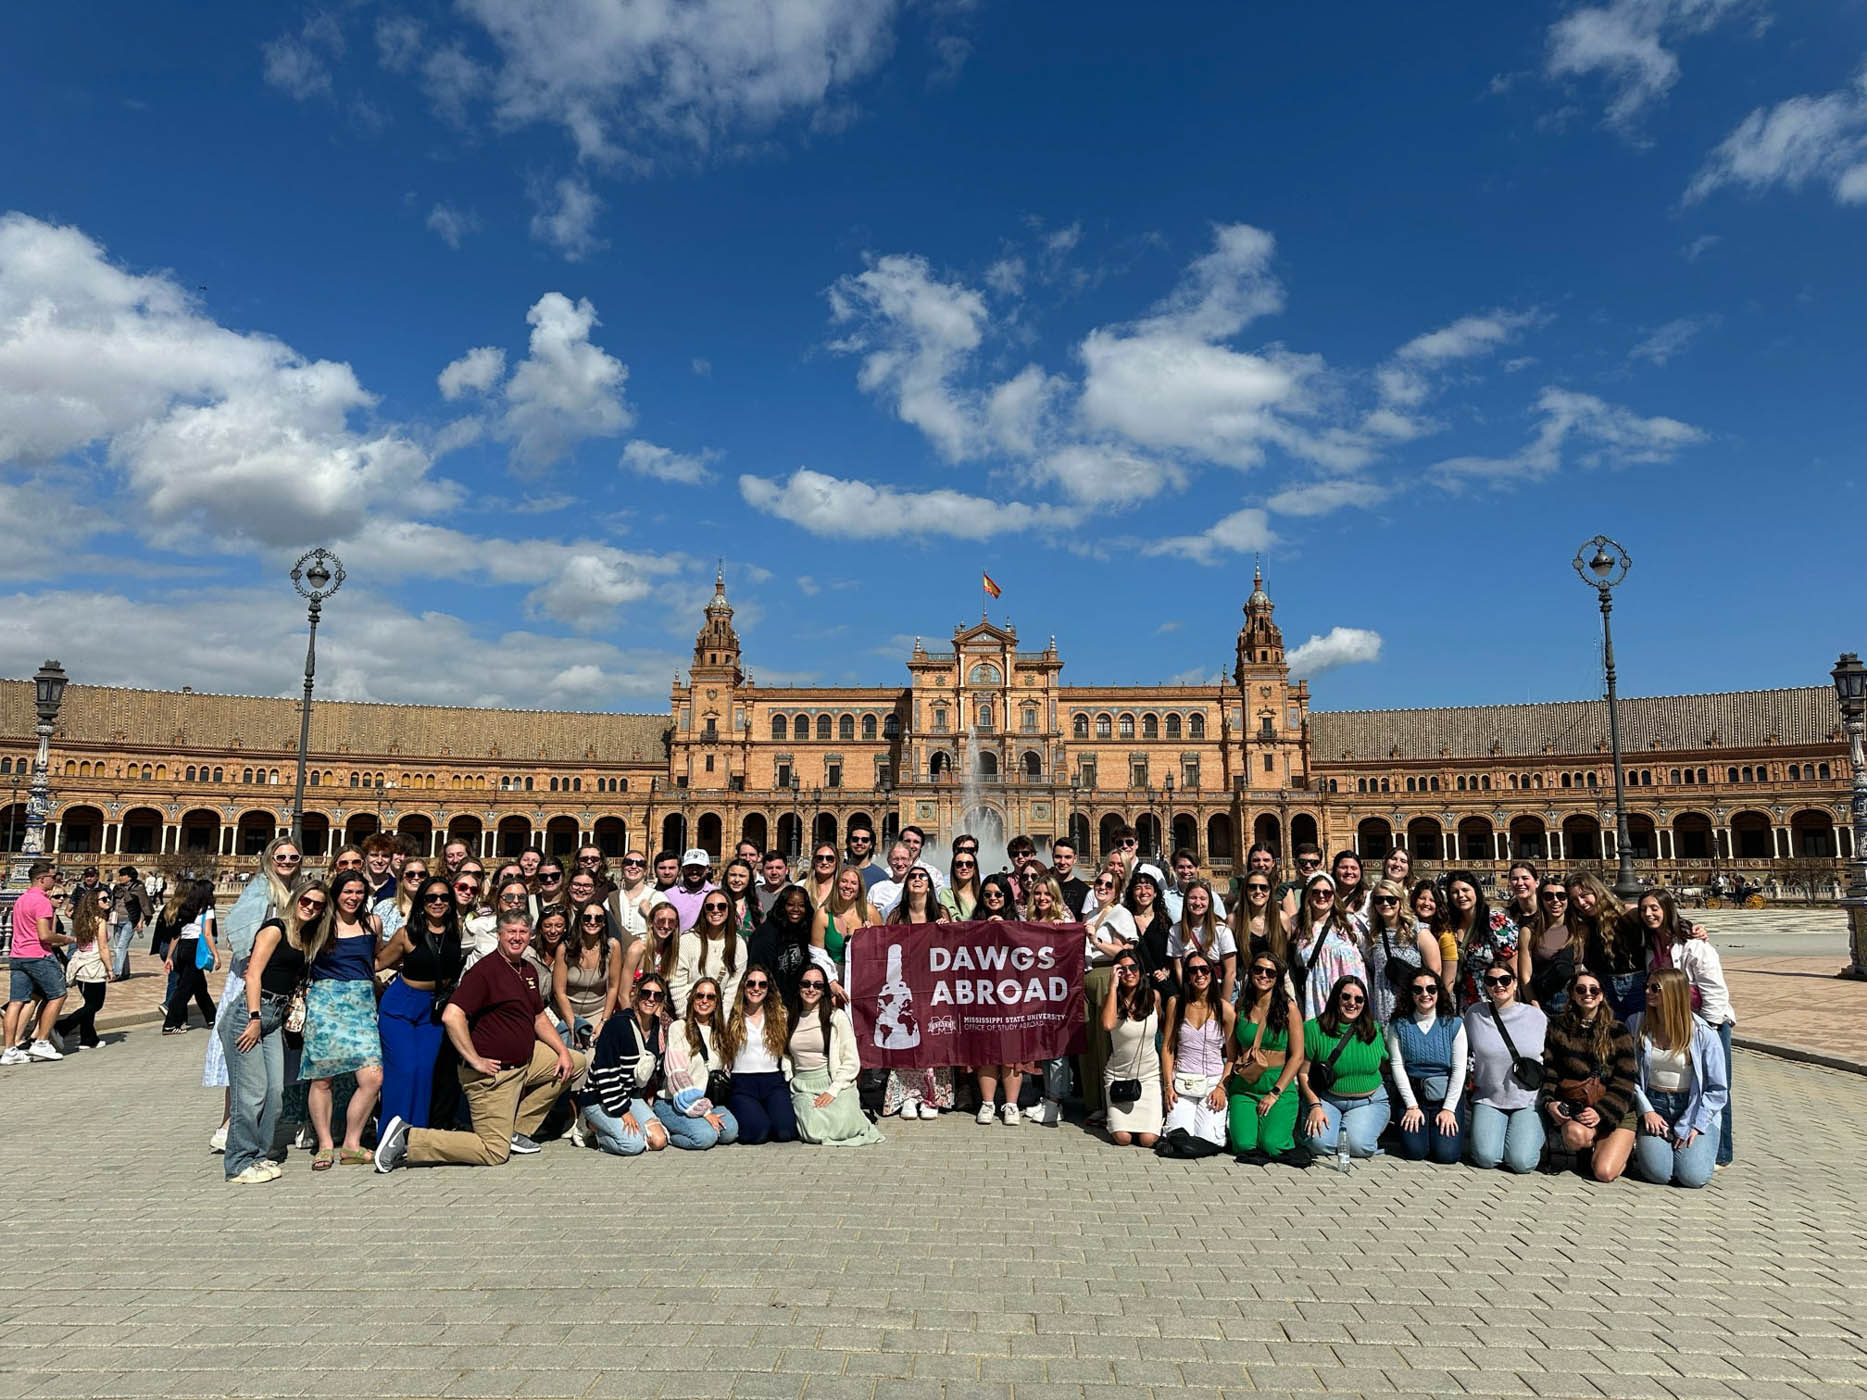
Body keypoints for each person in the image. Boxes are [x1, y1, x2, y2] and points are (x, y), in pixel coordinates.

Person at [376, 910, 587, 1171]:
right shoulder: (485, 971)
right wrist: (474, 1059)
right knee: (493, 1152)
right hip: (493, 1076)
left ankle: (515, 1130)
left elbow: (538, 1017)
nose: (517, 937)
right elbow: (453, 1016)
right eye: (511, 932)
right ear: (499, 935)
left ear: (531, 936)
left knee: (575, 1062)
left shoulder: (527, 969)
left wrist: (562, 1052)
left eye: (522, 932)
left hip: (525, 1063)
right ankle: (409, 1138)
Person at [222, 881, 328, 1184]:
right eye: (306, 900)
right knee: (250, 1094)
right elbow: (253, 973)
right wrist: (254, 1018)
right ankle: (238, 1163)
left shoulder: (304, 937)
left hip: (275, 1017)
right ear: (296, 898)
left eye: (318, 904)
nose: (310, 907)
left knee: (275, 1094)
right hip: (251, 1013)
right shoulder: (275, 928)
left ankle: (258, 1154)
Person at [1638, 887, 1737, 1166]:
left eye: (1655, 908)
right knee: (1691, 1084)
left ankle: (1721, 1153)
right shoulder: (1650, 946)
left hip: (1706, 1026)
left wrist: (1711, 1028)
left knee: (1716, 1085)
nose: (1648, 914)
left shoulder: (1694, 945)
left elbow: (1715, 991)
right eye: (1644, 909)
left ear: (1668, 910)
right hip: (1672, 1025)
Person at [301, 871, 384, 1170]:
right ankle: (325, 1143)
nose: (353, 897)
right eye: (348, 891)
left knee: (372, 1077)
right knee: (323, 1078)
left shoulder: (372, 923)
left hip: (361, 1002)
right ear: (336, 893)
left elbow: (373, 959)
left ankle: (351, 1143)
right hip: (326, 1001)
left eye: (359, 892)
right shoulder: (321, 924)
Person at [375, 875, 465, 1132]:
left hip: (433, 1009)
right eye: (431, 898)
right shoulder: (407, 934)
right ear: (422, 901)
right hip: (401, 1006)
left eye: (444, 897)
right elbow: (379, 962)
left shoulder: (455, 930)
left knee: (425, 1071)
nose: (438, 902)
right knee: (404, 1069)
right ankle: (391, 1132)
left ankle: (416, 1134)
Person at [1628, 968, 1728, 1189]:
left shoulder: (1703, 1033)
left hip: (1692, 1107)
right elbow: (1628, 1074)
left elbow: (1717, 1089)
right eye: (1647, 986)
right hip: (1655, 1105)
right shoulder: (1637, 1025)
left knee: (1693, 1178)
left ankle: (1693, 1151)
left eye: (1655, 988)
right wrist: (1647, 1110)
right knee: (1659, 1174)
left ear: (1673, 992)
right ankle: (1652, 1151)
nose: (1647, 992)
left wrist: (1695, 1124)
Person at [1542, 971, 1639, 1182]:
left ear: (1602, 995)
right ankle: (1590, 1150)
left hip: (1615, 1111)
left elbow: (1625, 1083)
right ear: (1573, 995)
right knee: (1575, 1136)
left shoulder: (1618, 1031)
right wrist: (1550, 1103)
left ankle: (1624, 1151)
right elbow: (1550, 1072)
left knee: (1604, 1173)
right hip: (1580, 1110)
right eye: (1581, 989)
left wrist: (1601, 1113)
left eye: (1594, 990)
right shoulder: (1558, 1028)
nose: (1588, 994)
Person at [881, 866, 953, 1119]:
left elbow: (954, 952)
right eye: (913, 876)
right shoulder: (897, 915)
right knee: (906, 1039)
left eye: (922, 877)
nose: (917, 880)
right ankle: (908, 1095)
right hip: (905, 986)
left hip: (934, 986)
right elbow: (884, 949)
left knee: (932, 1041)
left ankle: (930, 1097)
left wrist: (948, 931)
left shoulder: (940, 914)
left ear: (931, 885)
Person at [1463, 959, 1548, 1174]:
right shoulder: (1474, 1015)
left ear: (1516, 983)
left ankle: (1530, 1133)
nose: (1498, 985)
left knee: (1521, 1162)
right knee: (1486, 1158)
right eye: (1491, 981)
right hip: (1489, 1098)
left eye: (1505, 979)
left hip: (1527, 1098)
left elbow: (1550, 1058)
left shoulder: (1536, 1016)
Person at [1298, 975, 1390, 1160]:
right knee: (1319, 1145)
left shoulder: (1374, 1029)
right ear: (1336, 998)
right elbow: (1302, 1073)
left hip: (1369, 1101)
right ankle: (1343, 1130)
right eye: (1346, 997)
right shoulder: (1313, 1029)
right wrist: (1315, 1105)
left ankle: (1353, 1131)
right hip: (1327, 1099)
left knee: (1359, 1147)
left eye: (1359, 999)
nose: (1352, 1003)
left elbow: (1385, 1065)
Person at [788, 968, 884, 1146]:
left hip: (832, 1080)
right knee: (812, 1130)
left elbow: (851, 1061)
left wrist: (832, 1091)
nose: (811, 989)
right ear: (798, 987)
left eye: (818, 985)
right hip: (803, 1086)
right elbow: (785, 1056)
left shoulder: (836, 1017)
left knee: (848, 1123)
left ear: (824, 990)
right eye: (805, 984)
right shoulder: (790, 1017)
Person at [1226, 952, 1305, 1163]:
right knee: (1244, 1145)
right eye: (1258, 970)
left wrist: (1275, 1092)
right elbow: (1232, 1054)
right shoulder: (1241, 1006)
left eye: (1270, 972)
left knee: (1272, 1144)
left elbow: (1297, 1056)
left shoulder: (1289, 1009)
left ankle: (1274, 1130)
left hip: (1277, 1082)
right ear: (1250, 973)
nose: (1263, 975)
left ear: (1278, 977)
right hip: (1246, 1085)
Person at [1158, 953, 1235, 1158]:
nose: (1199, 974)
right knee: (1176, 1135)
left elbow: (1233, 1056)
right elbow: (1167, 1047)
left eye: (1204, 969)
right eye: (1193, 970)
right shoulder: (1176, 1003)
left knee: (1208, 1138)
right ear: (1187, 976)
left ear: (1211, 972)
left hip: (1212, 1083)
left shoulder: (1225, 1009)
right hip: (1183, 1082)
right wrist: (1167, 1086)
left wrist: (1221, 1087)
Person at [1387, 968, 1466, 1165]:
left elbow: (1459, 1069)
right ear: (1410, 994)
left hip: (1444, 1096)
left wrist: (1448, 1109)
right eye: (1418, 990)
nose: (1425, 994)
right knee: (1415, 1152)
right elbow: (1397, 1066)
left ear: (1439, 992)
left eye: (1431, 989)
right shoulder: (1398, 1025)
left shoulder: (1454, 1024)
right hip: (1413, 1097)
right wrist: (1411, 1105)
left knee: (1446, 1156)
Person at [1079, 866, 1137, 1126]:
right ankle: (1094, 1103)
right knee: (1088, 1043)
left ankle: (1110, 1102)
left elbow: (1127, 951)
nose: (1101, 887)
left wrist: (1096, 942)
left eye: (1108, 885)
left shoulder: (1120, 913)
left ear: (1117, 890)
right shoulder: (1091, 913)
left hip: (1105, 976)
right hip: (1088, 977)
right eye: (1099, 883)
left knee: (1106, 1043)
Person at [657, 977, 739, 1150]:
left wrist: (708, 1108)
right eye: (700, 995)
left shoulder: (720, 1033)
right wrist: (706, 1113)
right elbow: (678, 1077)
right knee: (705, 1138)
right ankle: (667, 1134)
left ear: (717, 1002)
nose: (704, 1001)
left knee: (730, 1132)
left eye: (710, 997)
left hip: (705, 1100)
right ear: (692, 998)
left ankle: (699, 1124)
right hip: (674, 1101)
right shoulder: (678, 1028)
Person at [1020, 873, 1076, 1126]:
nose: (1042, 898)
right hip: (1036, 990)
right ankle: (1048, 1096)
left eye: (1047, 894)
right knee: (1044, 1047)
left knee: (1056, 1049)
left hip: (1058, 991)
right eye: (1038, 893)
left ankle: (1056, 1101)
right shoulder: (1031, 919)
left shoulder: (1063, 920)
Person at [971, 874, 1024, 1124]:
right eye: (988, 894)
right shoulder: (974, 922)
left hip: (1012, 993)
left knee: (1012, 1050)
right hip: (982, 994)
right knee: (987, 1049)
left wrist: (1005, 928)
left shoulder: (1018, 921)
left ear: (1007, 897)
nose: (993, 898)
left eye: (998, 894)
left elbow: (1028, 953)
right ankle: (988, 1102)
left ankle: (1011, 1105)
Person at [723, 967, 797, 1143]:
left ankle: (766, 1115)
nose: (756, 988)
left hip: (773, 1081)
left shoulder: (781, 1015)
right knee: (758, 1133)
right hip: (742, 1083)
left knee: (785, 1132)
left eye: (762, 984)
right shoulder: (731, 1016)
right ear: (744, 986)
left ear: (768, 988)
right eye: (751, 983)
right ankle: (753, 1117)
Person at [1101, 951, 1162, 1148]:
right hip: (1119, 1077)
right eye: (1122, 969)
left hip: (1149, 1077)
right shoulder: (1111, 999)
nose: (1128, 973)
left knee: (1148, 1140)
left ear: (1140, 970)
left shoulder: (1154, 997)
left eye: (1133, 967)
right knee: (1123, 1139)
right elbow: (1108, 1025)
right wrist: (1112, 987)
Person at [1362, 878, 1441, 1024]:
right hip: (1383, 1009)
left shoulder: (1418, 931)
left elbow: (1435, 973)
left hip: (1413, 1008)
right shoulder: (1373, 935)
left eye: (1391, 900)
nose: (1385, 904)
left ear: (1400, 902)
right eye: (1379, 900)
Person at [1288, 874, 1365, 1022]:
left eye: (1327, 892)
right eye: (1315, 892)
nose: (1321, 896)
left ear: (1334, 895)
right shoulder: (1297, 926)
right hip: (1317, 997)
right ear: (1308, 895)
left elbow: (1369, 956)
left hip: (1352, 998)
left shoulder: (1350, 923)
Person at [1446, 870, 1517, 1012]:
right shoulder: (1449, 925)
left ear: (1476, 891)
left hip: (1492, 1001)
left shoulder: (1496, 922)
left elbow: (1512, 967)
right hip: (1459, 1004)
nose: (1460, 895)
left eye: (1465, 890)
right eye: (1455, 892)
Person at [52, 885, 112, 1051]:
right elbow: (103, 947)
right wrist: (110, 969)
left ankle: (88, 1038)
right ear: (95, 902)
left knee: (89, 1003)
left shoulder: (81, 918)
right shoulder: (99, 920)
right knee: (95, 1004)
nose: (108, 901)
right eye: (104, 899)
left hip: (80, 963)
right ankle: (61, 1027)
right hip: (93, 965)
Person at [556, 900, 623, 1048]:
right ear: (580, 920)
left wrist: (604, 1021)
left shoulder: (613, 947)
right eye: (587, 918)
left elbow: (613, 987)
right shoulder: (565, 949)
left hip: (597, 1012)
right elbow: (559, 992)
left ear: (604, 922)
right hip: (567, 1012)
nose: (592, 922)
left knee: (595, 1053)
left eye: (598, 918)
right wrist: (573, 1026)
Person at [672, 890, 747, 1016]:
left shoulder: (738, 945)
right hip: (688, 1014)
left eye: (722, 906)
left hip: (719, 1017)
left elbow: (731, 992)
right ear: (704, 910)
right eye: (710, 906)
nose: (716, 910)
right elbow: (677, 986)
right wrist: (686, 1019)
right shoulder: (687, 941)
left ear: (729, 910)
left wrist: (720, 1023)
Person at [161, 879, 220, 1034]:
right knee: (184, 988)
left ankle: (211, 1017)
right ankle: (171, 1023)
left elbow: (176, 935)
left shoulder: (185, 908)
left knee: (199, 986)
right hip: (196, 948)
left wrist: (169, 956)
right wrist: (216, 955)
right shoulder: (206, 909)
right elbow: (207, 933)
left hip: (183, 948)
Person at [1168, 878, 1237, 1004]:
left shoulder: (1222, 930)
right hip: (1191, 992)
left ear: (1209, 902)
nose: (1198, 902)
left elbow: (1230, 972)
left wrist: (1224, 1005)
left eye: (1203, 898)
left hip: (1219, 990)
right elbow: (1179, 969)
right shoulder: (1176, 931)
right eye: (1193, 898)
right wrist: (1187, 998)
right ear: (1186, 901)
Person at [752, 884, 822, 1007]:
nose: (796, 909)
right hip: (771, 1002)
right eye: (790, 905)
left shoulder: (807, 931)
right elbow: (759, 972)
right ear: (782, 906)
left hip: (799, 1001)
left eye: (801, 906)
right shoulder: (765, 934)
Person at [1517, 875, 1577, 1014]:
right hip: (1548, 1001)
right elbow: (1525, 976)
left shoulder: (1579, 929)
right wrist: (1533, 1003)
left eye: (1561, 896)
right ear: (1541, 900)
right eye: (1548, 896)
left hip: (1577, 999)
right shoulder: (1529, 932)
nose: (1555, 900)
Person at [1123, 864, 1180, 1006]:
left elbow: (1173, 953)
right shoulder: (1124, 919)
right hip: (1132, 981)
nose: (1143, 892)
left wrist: (1166, 971)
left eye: (1148, 888)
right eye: (1138, 888)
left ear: (1155, 893)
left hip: (1159, 980)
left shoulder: (1165, 921)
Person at [812, 867, 874, 990]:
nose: (848, 886)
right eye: (844, 881)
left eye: (853, 883)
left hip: (862, 978)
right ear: (837, 884)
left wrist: (872, 937)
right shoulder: (823, 914)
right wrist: (832, 983)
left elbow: (882, 950)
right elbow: (816, 954)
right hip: (832, 975)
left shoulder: (870, 912)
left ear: (859, 888)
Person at [1230, 866, 1288, 971]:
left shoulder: (1282, 918)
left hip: (1276, 981)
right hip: (1245, 982)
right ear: (1245, 890)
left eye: (1263, 887)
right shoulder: (1233, 920)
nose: (1258, 891)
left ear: (1270, 891)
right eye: (1252, 887)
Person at [108, 865, 151, 982]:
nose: (120, 877)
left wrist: (141, 921)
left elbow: (144, 905)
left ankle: (116, 972)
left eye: (123, 875)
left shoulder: (139, 887)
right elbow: (113, 902)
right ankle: (125, 972)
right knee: (118, 947)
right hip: (117, 919)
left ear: (130, 877)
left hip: (130, 919)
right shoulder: (117, 888)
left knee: (121, 946)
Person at [373, 858, 429, 945]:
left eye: (422, 874)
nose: (416, 878)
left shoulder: (433, 908)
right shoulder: (384, 908)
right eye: (410, 874)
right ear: (401, 878)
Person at [603, 852, 651, 938]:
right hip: (618, 949)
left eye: (640, 864)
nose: (633, 866)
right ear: (622, 868)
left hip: (647, 949)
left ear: (645, 871)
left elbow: (666, 928)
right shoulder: (612, 898)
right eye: (628, 862)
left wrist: (649, 913)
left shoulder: (657, 897)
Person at [667, 848, 717, 928]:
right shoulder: (669, 895)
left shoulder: (717, 894)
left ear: (708, 869)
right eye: (690, 867)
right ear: (683, 869)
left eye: (699, 867)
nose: (694, 871)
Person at [718, 857, 761, 938]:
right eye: (733, 875)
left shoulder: (756, 904)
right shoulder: (718, 902)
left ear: (749, 879)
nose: (737, 880)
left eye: (742, 876)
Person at [868, 842, 913, 918]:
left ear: (910, 861)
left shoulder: (920, 888)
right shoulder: (876, 889)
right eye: (895, 859)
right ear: (888, 861)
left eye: (904, 859)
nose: (900, 863)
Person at [1050, 836, 1090, 916]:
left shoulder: (1085, 891)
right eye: (1058, 857)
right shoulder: (1043, 886)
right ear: (1052, 857)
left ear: (1075, 859)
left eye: (1067, 857)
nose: (1062, 862)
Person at [938, 848, 982, 919]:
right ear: (953, 868)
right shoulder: (946, 894)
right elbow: (953, 919)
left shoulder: (983, 894)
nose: (964, 867)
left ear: (975, 869)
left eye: (969, 864)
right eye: (959, 864)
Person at [1329, 851, 1368, 929]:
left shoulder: (1370, 899)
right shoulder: (1325, 897)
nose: (1349, 872)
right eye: (1344, 868)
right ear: (1335, 870)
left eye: (1354, 868)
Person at [844, 820, 885, 889]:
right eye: (855, 839)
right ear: (849, 843)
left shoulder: (881, 877)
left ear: (871, 844)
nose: (859, 843)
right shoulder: (837, 871)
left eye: (865, 840)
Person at [756, 850, 794, 916]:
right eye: (769, 868)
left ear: (787, 870)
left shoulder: (795, 893)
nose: (774, 872)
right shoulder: (754, 893)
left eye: (779, 868)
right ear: (762, 871)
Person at [802, 843, 840, 910]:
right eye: (820, 858)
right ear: (814, 861)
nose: (824, 862)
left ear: (836, 862)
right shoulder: (801, 886)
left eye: (829, 858)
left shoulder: (843, 888)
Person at [362, 834, 398, 904]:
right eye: (374, 855)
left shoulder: (398, 887)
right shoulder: (356, 883)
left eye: (385, 856)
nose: (379, 861)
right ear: (366, 857)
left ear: (391, 859)